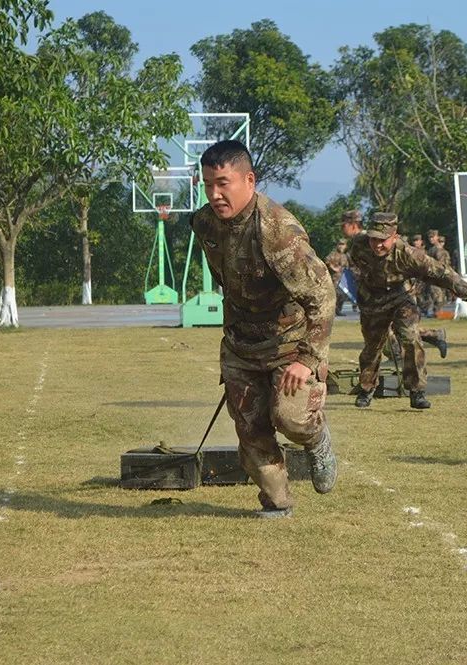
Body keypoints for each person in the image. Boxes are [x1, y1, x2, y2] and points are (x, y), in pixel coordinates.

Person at [190, 140, 337, 519]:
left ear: (249, 180)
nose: (215, 194)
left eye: (223, 183)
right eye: (208, 185)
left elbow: (322, 296)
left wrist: (307, 358)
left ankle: (316, 438)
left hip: (290, 345)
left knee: (292, 419)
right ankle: (277, 501)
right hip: (241, 345)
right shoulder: (204, 223)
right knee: (250, 431)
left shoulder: (277, 231)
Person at [348, 213, 467, 410]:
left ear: (394, 236)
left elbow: (442, 273)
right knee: (373, 347)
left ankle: (416, 391)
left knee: (411, 338)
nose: (377, 245)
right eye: (373, 239)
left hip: (401, 299)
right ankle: (367, 389)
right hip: (372, 301)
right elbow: (354, 266)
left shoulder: (409, 255)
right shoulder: (358, 245)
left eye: (383, 240)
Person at [324, 239, 351, 315]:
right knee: (334, 295)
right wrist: (333, 268)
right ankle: (332, 311)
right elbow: (327, 260)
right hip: (335, 279)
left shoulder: (346, 255)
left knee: (342, 295)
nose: (341, 246)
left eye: (343, 244)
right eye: (340, 244)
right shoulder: (333, 254)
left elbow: (350, 265)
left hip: (343, 279)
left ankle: (338, 310)